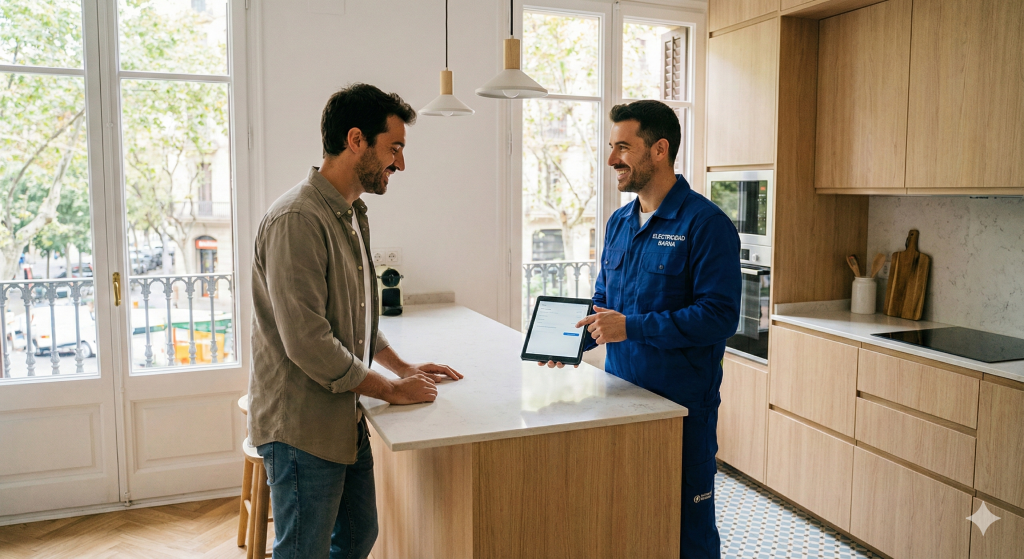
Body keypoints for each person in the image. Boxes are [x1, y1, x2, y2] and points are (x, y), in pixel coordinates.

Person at [249, 83, 464, 559]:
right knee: (304, 552)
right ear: (355, 140)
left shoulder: (349, 213)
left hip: (343, 414)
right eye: (395, 148)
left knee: (357, 536)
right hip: (302, 426)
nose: (401, 164)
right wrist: (388, 389)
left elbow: (356, 314)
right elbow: (308, 340)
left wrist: (402, 367)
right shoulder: (297, 220)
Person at [541, 100, 740, 558]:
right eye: (612, 148)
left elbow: (718, 317)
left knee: (689, 533)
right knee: (633, 521)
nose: (612, 160)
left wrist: (631, 327)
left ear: (660, 150)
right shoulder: (618, 223)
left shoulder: (705, 225)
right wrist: (571, 340)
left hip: (682, 411)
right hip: (622, 402)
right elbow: (605, 305)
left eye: (623, 148)